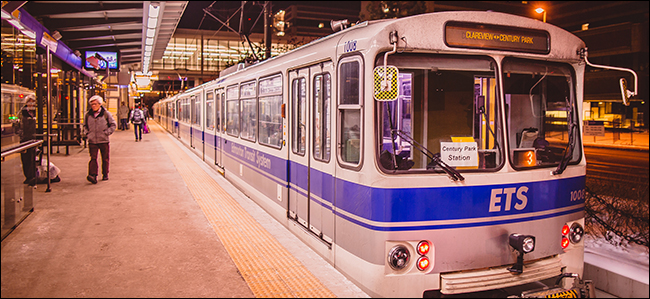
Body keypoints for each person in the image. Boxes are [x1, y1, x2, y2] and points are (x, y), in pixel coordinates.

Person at [83, 95, 117, 184]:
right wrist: (87, 133)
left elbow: (113, 125)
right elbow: (84, 126)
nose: (93, 106)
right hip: (92, 140)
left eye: (95, 104)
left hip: (103, 140)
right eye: (92, 104)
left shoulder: (106, 114)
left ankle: (105, 174)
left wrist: (106, 133)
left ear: (99, 104)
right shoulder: (88, 115)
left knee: (105, 158)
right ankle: (92, 175)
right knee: (93, 158)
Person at [17, 95, 37, 185]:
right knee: (25, 159)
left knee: (33, 158)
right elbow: (16, 125)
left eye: (33, 102)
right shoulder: (22, 113)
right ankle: (28, 176)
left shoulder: (37, 113)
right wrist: (21, 135)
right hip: (25, 139)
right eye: (30, 102)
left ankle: (32, 176)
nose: (31, 104)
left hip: (33, 139)